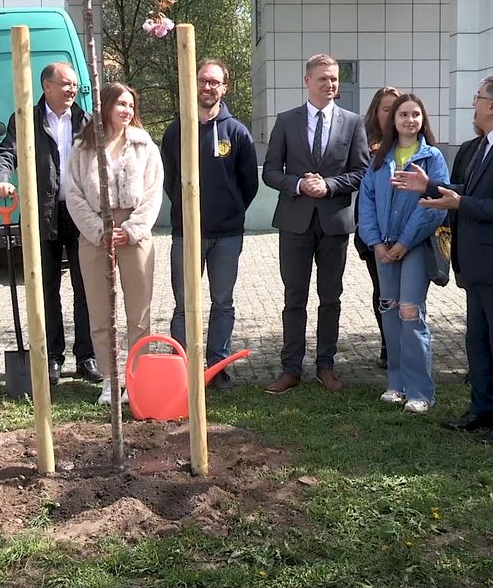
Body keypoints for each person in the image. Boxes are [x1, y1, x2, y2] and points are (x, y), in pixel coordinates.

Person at [393, 75, 493, 445]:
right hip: (481, 264)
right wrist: (430, 186)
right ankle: (483, 407)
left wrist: (458, 203)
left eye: (478, 98)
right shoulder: (486, 143)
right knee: (479, 340)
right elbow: (475, 191)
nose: (473, 104)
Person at [261, 53, 369, 394]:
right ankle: (291, 368)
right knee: (295, 297)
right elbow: (271, 172)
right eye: (323, 78)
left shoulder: (353, 123)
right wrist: (298, 184)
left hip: (334, 222)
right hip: (295, 221)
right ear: (307, 81)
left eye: (335, 78)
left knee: (330, 297)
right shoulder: (287, 120)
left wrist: (330, 185)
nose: (331, 84)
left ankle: (326, 365)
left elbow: (362, 171)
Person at [0, 61, 101, 386]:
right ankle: (51, 357)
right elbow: (6, 154)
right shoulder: (26, 119)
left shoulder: (87, 121)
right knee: (46, 288)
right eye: (65, 84)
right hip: (42, 213)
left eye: (75, 85)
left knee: (86, 288)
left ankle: (87, 356)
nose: (72, 90)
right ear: (47, 87)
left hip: (81, 215)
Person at [161, 59, 259, 391]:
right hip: (186, 235)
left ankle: (217, 367)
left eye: (214, 82)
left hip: (227, 236)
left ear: (224, 88)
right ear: (194, 84)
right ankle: (182, 367)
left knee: (223, 302)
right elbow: (169, 178)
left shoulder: (237, 132)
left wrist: (230, 211)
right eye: (203, 80)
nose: (208, 87)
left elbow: (249, 184)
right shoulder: (177, 130)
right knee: (184, 303)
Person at [66, 82, 164, 405]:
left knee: (139, 311)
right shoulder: (83, 146)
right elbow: (74, 195)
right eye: (121, 104)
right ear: (106, 106)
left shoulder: (144, 145)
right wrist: (99, 231)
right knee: (100, 311)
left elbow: (153, 193)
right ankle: (110, 380)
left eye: (131, 105)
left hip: (135, 235)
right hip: (95, 235)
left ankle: (137, 377)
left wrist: (132, 230)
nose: (127, 110)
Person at [357, 94, 448, 413]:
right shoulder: (379, 158)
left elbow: (434, 208)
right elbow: (366, 203)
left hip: (415, 247)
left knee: (410, 312)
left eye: (416, 114)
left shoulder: (432, 157)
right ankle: (396, 384)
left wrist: (405, 243)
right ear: (392, 121)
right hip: (383, 247)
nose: (410, 120)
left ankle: (421, 391)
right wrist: (376, 243)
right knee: (390, 311)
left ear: (423, 119)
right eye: (403, 115)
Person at [355, 86, 401, 370]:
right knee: (383, 287)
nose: (394, 115)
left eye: (397, 109)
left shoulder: (415, 144)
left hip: (407, 233)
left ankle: (405, 343)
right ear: (376, 113)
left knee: (407, 291)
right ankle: (388, 344)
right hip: (374, 233)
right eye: (387, 109)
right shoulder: (364, 145)